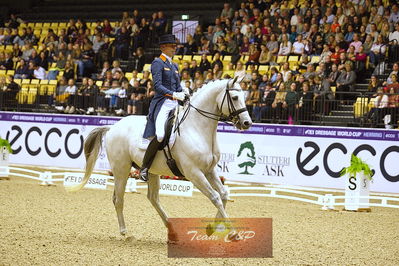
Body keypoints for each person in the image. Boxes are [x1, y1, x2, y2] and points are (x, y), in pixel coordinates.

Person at [140, 34, 189, 182]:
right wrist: (174, 94)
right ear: (163, 47)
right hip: (163, 103)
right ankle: (144, 167)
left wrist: (184, 92)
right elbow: (158, 86)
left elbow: (178, 85)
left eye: (175, 46)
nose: (175, 48)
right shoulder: (157, 63)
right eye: (172, 46)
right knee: (160, 135)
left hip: (175, 102)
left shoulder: (174, 65)